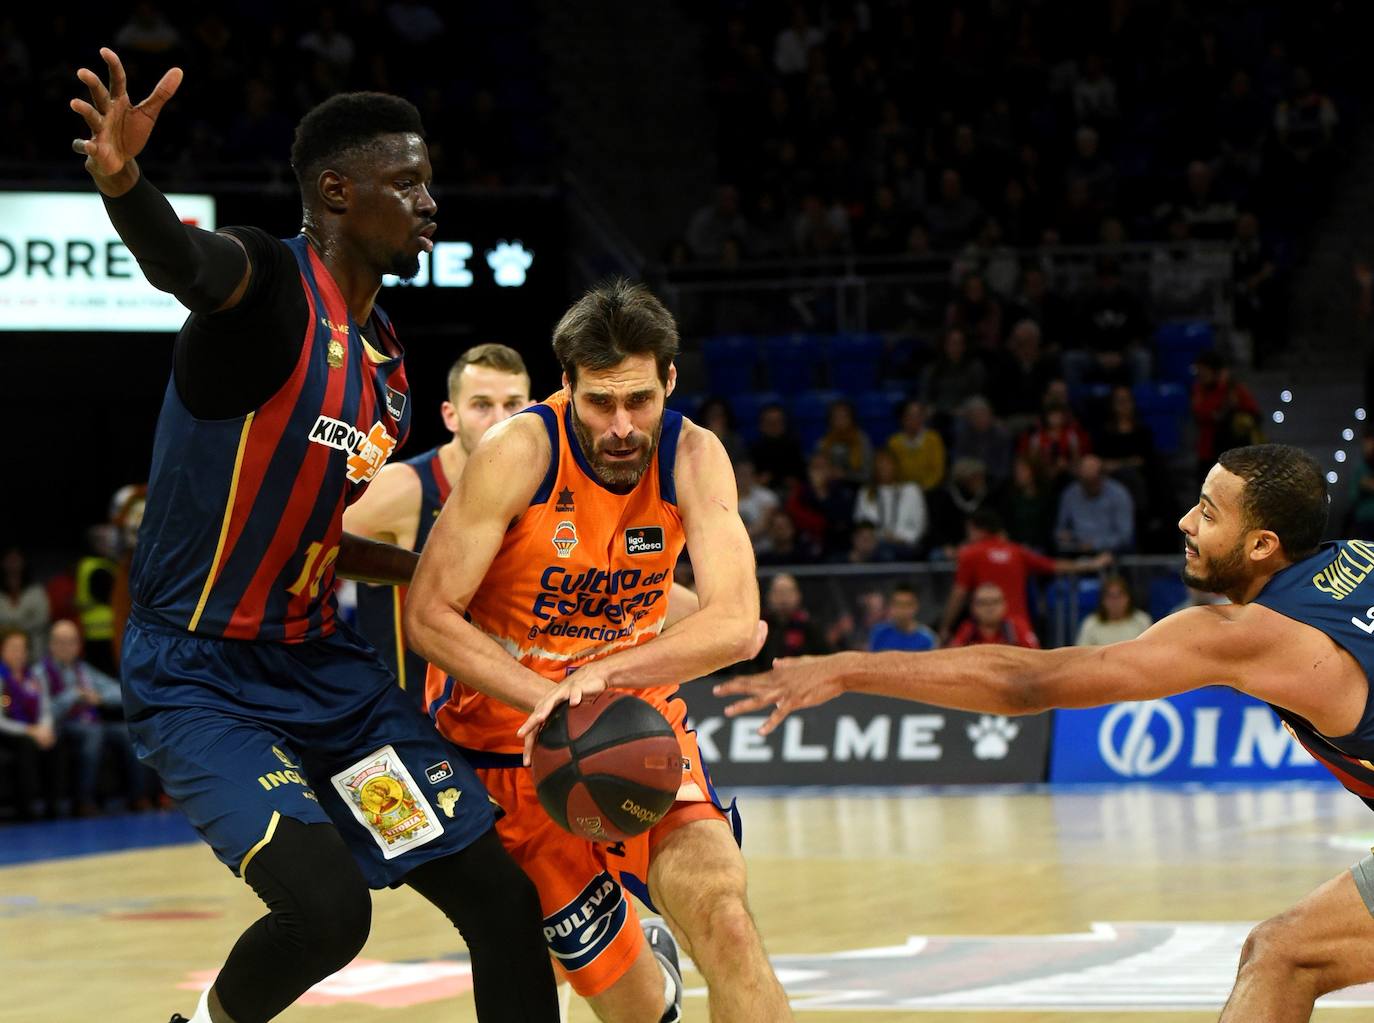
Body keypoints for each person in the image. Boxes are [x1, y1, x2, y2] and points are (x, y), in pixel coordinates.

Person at [69, 48, 556, 1023]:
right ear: (338, 190)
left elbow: (312, 526)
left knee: (501, 903)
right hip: (203, 684)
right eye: (407, 182)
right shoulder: (268, 287)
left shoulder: (384, 363)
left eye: (430, 181)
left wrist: (432, 568)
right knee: (328, 910)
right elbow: (183, 262)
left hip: (325, 685)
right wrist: (124, 182)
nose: (429, 201)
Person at [718, 443, 1374, 1022]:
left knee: (1283, 955)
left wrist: (853, 668)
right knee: (1283, 951)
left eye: (1208, 510)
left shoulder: (1257, 636)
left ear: (1263, 544)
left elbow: (1029, 683)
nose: (1185, 522)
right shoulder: (1359, 558)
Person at [406, 279, 792, 1023]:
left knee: (729, 921)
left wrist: (602, 674)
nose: (621, 425)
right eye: (599, 403)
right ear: (567, 386)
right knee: (637, 1011)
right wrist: (546, 694)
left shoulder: (694, 454)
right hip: (508, 747)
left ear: (670, 381)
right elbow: (428, 617)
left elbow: (739, 623)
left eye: (639, 401)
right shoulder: (517, 451)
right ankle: (652, 979)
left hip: (638, 722)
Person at [344, 343, 531, 697]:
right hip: (411, 721)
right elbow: (304, 547)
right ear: (450, 415)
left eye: (512, 405)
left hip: (504, 713)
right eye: (481, 405)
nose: (499, 421)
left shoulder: (544, 493)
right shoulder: (404, 487)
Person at [41, 618, 157, 814]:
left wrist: (100, 697)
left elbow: (120, 691)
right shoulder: (41, 672)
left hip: (90, 722)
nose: (66, 647)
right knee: (93, 734)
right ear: (51, 645)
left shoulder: (83, 670)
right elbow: (44, 710)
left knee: (127, 732)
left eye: (71, 642)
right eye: (61, 642)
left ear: (78, 645)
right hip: (61, 726)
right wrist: (74, 695)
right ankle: (84, 801)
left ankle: (139, 797)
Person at [939, 508, 1109, 642]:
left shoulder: (970, 554)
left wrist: (945, 626)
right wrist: (1092, 563)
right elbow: (1054, 565)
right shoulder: (1017, 551)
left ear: (977, 529)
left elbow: (959, 594)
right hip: (1019, 627)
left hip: (986, 629)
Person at [0, 629, 66, 820]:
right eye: (13, 648)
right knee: (26, 747)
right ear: (2, 650)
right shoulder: (2, 677)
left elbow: (45, 708)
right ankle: (26, 809)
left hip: (35, 729)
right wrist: (30, 730)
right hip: (9, 732)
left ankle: (53, 806)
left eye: (22, 648)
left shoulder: (34, 675)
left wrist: (44, 728)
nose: (18, 653)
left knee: (56, 741)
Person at [948, 583, 1039, 648]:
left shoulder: (1017, 626)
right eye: (983, 603)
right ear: (973, 607)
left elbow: (1034, 657)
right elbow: (953, 659)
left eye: (995, 602)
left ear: (1004, 605)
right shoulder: (967, 629)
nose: (989, 608)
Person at [1075, 575, 1152, 646]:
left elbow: (1150, 651)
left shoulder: (1142, 620)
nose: (1115, 601)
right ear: (1103, 600)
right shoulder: (1091, 623)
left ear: (1128, 598)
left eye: (1119, 595)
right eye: (1110, 596)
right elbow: (1082, 654)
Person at [868, 583, 938, 652]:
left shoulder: (928, 639)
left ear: (916, 606)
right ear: (891, 605)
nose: (901, 610)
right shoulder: (879, 633)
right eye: (898, 604)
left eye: (906, 605)